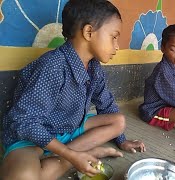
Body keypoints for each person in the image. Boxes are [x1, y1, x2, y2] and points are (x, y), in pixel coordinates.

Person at [1, 0, 145, 179]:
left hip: (69, 129)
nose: (117, 46)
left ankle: (71, 156)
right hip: (31, 139)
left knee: (118, 121)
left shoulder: (94, 67)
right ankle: (76, 156)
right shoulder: (52, 66)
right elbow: (25, 122)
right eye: (114, 36)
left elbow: (107, 105)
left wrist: (122, 141)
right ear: (88, 32)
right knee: (21, 177)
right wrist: (70, 155)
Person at [139, 24, 175, 134]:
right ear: (163, 48)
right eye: (173, 49)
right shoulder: (163, 70)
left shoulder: (172, 66)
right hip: (152, 111)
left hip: (167, 104)